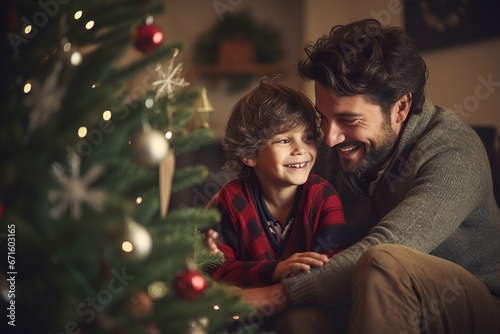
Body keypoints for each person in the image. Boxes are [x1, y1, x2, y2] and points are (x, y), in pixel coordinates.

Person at [206, 19, 500, 333]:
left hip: (475, 299)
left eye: (348, 119)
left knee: (381, 260)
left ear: (400, 107)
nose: (330, 139)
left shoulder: (454, 152)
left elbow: (391, 244)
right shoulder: (336, 148)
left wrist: (278, 294)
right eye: (323, 118)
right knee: (299, 320)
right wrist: (211, 221)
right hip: (367, 292)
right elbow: (266, 182)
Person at [207, 75, 347, 289]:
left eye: (307, 138)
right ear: (250, 154)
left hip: (306, 305)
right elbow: (219, 269)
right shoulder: (231, 200)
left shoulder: (323, 196)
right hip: (244, 311)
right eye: (284, 140)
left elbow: (327, 267)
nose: (301, 149)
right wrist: (277, 269)